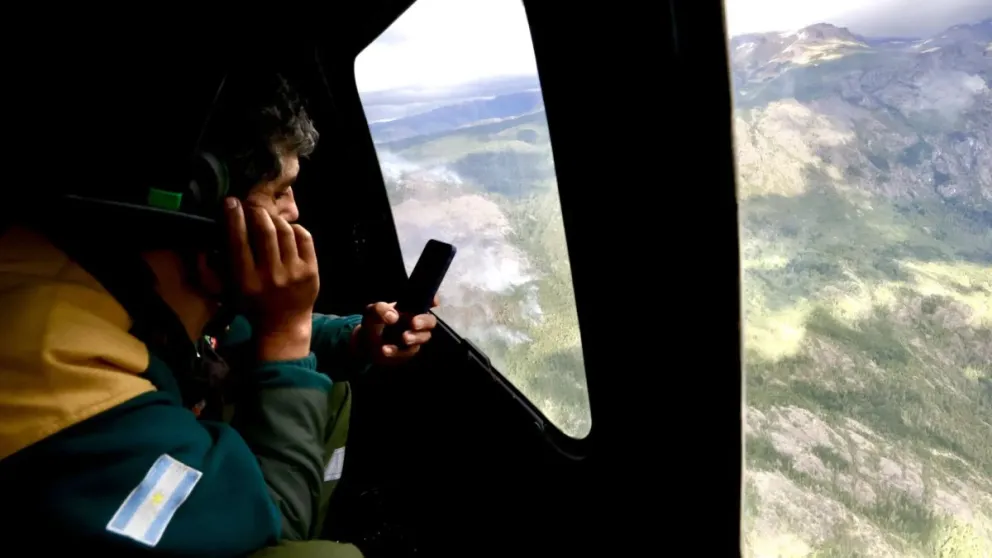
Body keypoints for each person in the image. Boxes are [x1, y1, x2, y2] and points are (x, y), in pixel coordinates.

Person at [0, 66, 435, 556]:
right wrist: (289, 330)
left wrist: (355, 338)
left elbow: (225, 339)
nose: (293, 212)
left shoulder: (104, 273)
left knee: (326, 387)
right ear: (205, 199)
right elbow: (277, 523)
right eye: (278, 191)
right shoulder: (61, 371)